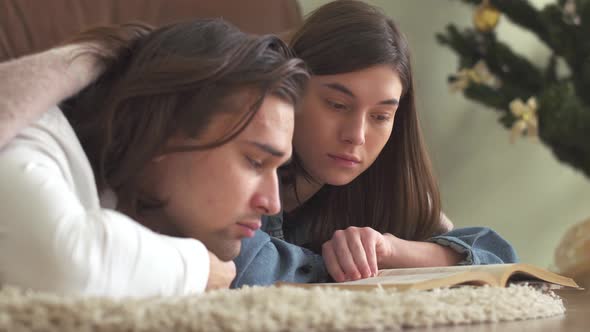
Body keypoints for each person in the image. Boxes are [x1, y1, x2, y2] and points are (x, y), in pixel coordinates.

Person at [0, 19, 307, 296]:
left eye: (277, 169)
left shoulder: (123, 193)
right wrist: (198, 269)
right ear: (164, 131)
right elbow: (63, 267)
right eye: (255, 161)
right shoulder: (28, 136)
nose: (272, 203)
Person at [231, 0, 518, 286]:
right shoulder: (236, 165)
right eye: (337, 105)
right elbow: (247, 264)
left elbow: (499, 258)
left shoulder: (387, 186)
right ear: (290, 89)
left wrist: (391, 250)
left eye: (380, 116)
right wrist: (340, 267)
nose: (356, 135)